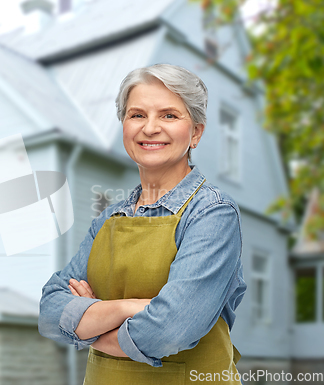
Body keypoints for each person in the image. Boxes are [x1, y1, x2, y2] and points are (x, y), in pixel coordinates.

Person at [38, 63, 247, 384]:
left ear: (196, 132)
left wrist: (89, 324)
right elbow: (50, 312)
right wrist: (127, 308)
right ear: (123, 125)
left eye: (169, 115)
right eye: (137, 115)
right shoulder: (109, 218)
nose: (150, 128)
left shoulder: (212, 213)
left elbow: (170, 330)